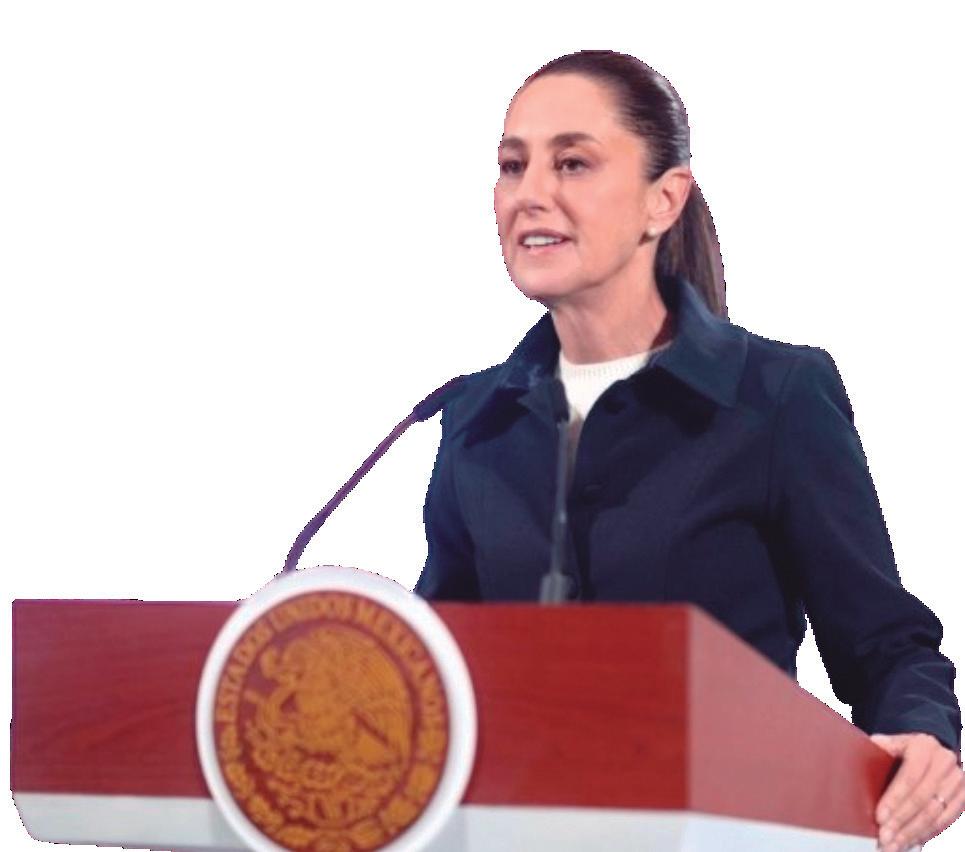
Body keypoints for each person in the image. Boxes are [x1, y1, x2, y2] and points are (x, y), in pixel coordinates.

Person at [412, 49, 963, 850]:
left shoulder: (772, 396)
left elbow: (885, 645)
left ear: (662, 200)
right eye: (511, 165)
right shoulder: (476, 419)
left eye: (572, 163)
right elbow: (433, 668)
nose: (529, 193)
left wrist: (921, 734)